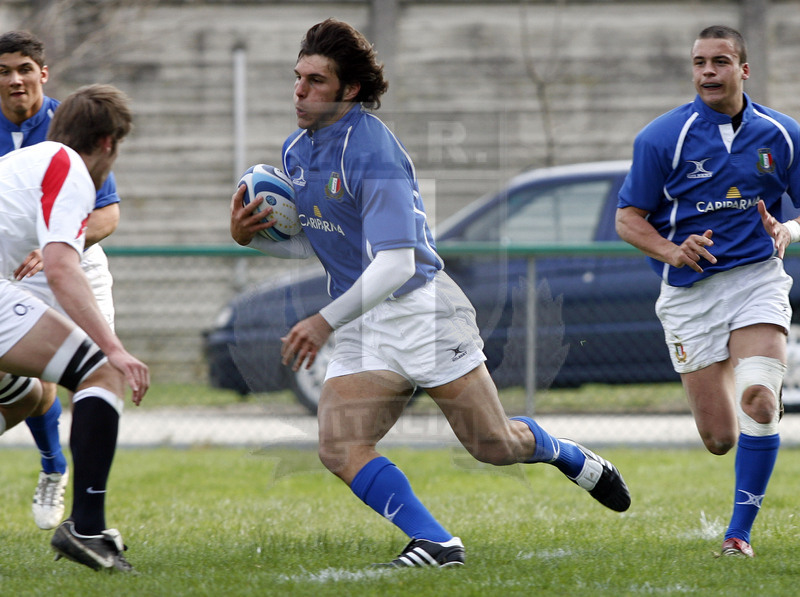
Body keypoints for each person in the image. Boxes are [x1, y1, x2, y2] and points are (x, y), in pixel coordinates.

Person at [230, 18, 630, 568]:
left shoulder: (374, 150)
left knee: (492, 445)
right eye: (297, 77)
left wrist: (322, 321)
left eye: (315, 81)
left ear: (349, 90)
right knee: (339, 446)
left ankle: (564, 453)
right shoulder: (297, 150)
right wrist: (250, 238)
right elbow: (325, 242)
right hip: (364, 319)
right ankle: (436, 542)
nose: (299, 91)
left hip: (421, 310)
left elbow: (395, 264)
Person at [616, 25, 800, 558]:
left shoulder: (783, 134)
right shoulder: (661, 137)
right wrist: (672, 250)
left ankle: (738, 535)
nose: (707, 72)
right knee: (720, 438)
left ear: (744, 70)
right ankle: (740, 424)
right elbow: (629, 219)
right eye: (699, 63)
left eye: (720, 62)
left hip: (756, 281)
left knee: (761, 400)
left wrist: (788, 230)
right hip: (689, 296)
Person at [0, 83, 148, 572]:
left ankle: (87, 523)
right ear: (109, 143)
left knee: (25, 398)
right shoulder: (70, 169)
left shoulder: (33, 161)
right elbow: (62, 267)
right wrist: (115, 349)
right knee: (101, 372)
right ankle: (85, 529)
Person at [0, 30, 121, 531]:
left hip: (73, 261)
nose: (15, 80)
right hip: (13, 269)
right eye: (4, 71)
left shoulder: (68, 126)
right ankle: (72, 499)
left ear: (42, 74)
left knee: (87, 378)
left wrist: (57, 241)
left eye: (24, 69)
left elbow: (107, 215)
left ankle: (83, 511)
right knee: (34, 387)